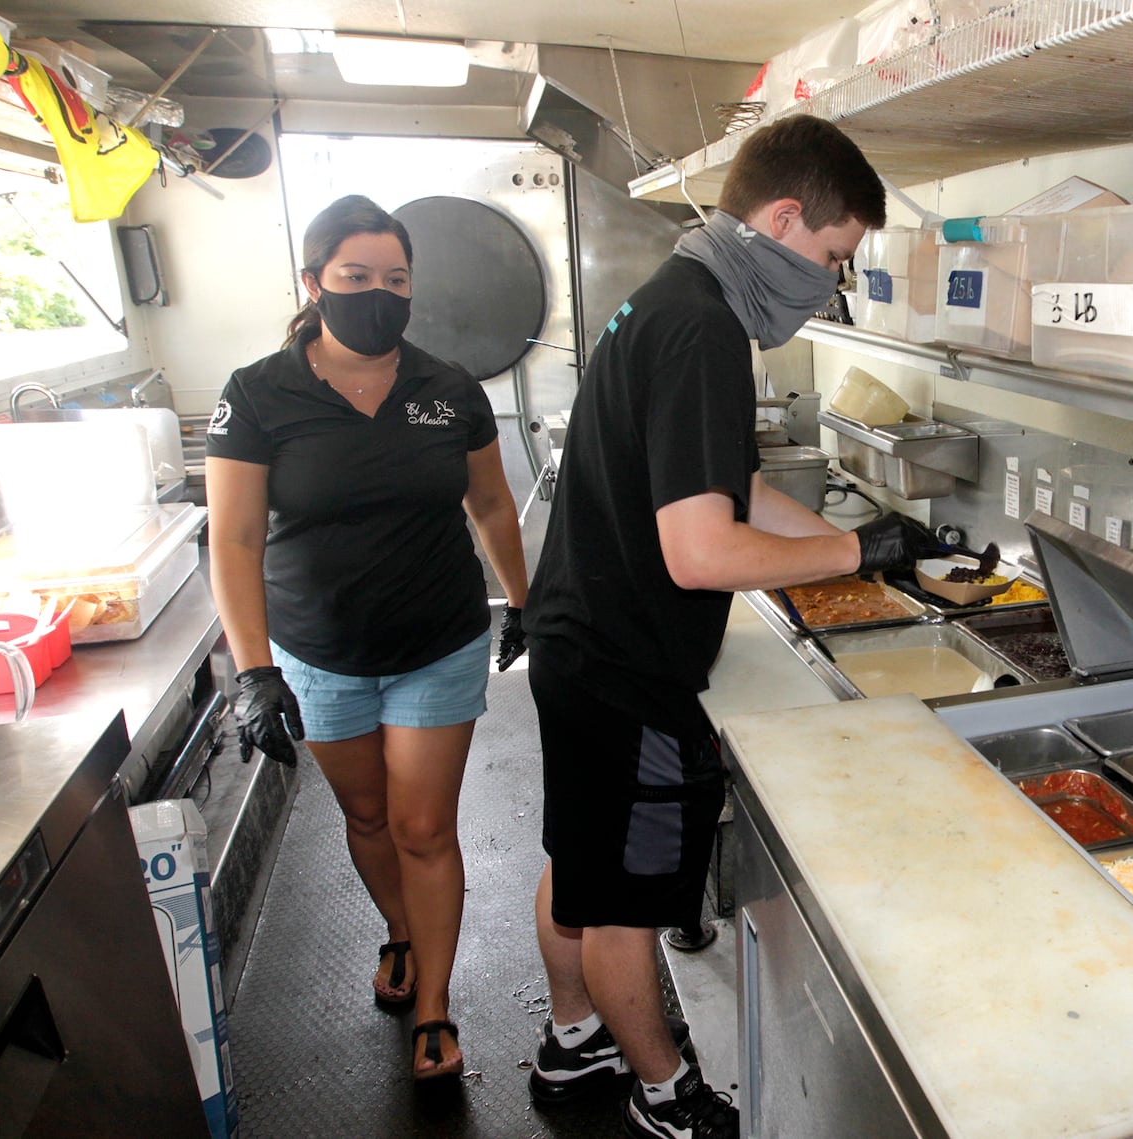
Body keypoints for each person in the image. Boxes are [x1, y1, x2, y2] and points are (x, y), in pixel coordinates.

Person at [521, 115, 943, 1138]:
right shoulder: (705, 327)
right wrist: (856, 555)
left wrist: (882, 544)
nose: (829, 287)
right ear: (785, 217)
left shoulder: (666, 298)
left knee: (576, 862)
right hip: (627, 670)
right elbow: (701, 551)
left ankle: (570, 1037)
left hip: (576, 643)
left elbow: (732, 483)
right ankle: (662, 1088)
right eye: (833, 258)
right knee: (622, 900)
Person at [205, 194, 530, 1082]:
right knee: (368, 816)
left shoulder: (448, 388)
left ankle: (433, 1003)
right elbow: (232, 540)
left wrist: (524, 598)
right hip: (319, 654)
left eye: (396, 279)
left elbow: (492, 502)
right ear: (313, 284)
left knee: (426, 825)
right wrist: (254, 670)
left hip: (437, 641)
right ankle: (398, 931)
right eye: (356, 277)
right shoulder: (258, 394)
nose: (378, 294)